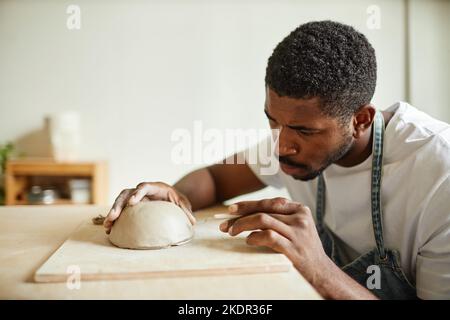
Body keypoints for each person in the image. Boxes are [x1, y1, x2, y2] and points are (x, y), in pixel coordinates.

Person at [104, 21, 450, 299]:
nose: (282, 146)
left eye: (304, 131)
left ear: (360, 119)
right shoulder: (288, 140)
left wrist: (317, 267)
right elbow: (214, 179)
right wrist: (171, 199)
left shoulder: (438, 176)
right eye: (272, 120)